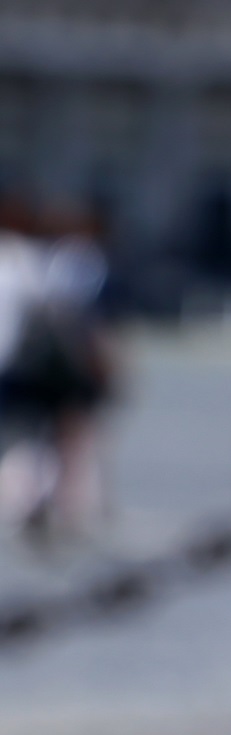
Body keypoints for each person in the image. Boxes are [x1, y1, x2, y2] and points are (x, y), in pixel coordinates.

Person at [0, 200, 118, 541]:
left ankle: (29, 498)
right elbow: (76, 320)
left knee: (26, 436)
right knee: (45, 436)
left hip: (19, 365)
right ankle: (41, 498)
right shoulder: (49, 263)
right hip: (34, 365)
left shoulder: (35, 260)